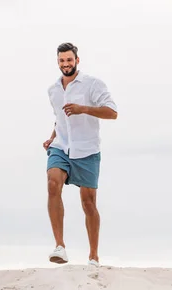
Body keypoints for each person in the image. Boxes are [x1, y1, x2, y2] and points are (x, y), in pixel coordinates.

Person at [42, 42, 118, 267]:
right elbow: (60, 118)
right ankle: (60, 247)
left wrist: (83, 108)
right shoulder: (53, 90)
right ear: (57, 62)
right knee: (53, 183)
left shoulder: (93, 85)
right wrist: (51, 136)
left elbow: (112, 112)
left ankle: (93, 255)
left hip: (87, 150)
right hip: (61, 146)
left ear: (77, 60)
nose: (66, 64)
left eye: (69, 60)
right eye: (62, 60)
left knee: (88, 204)